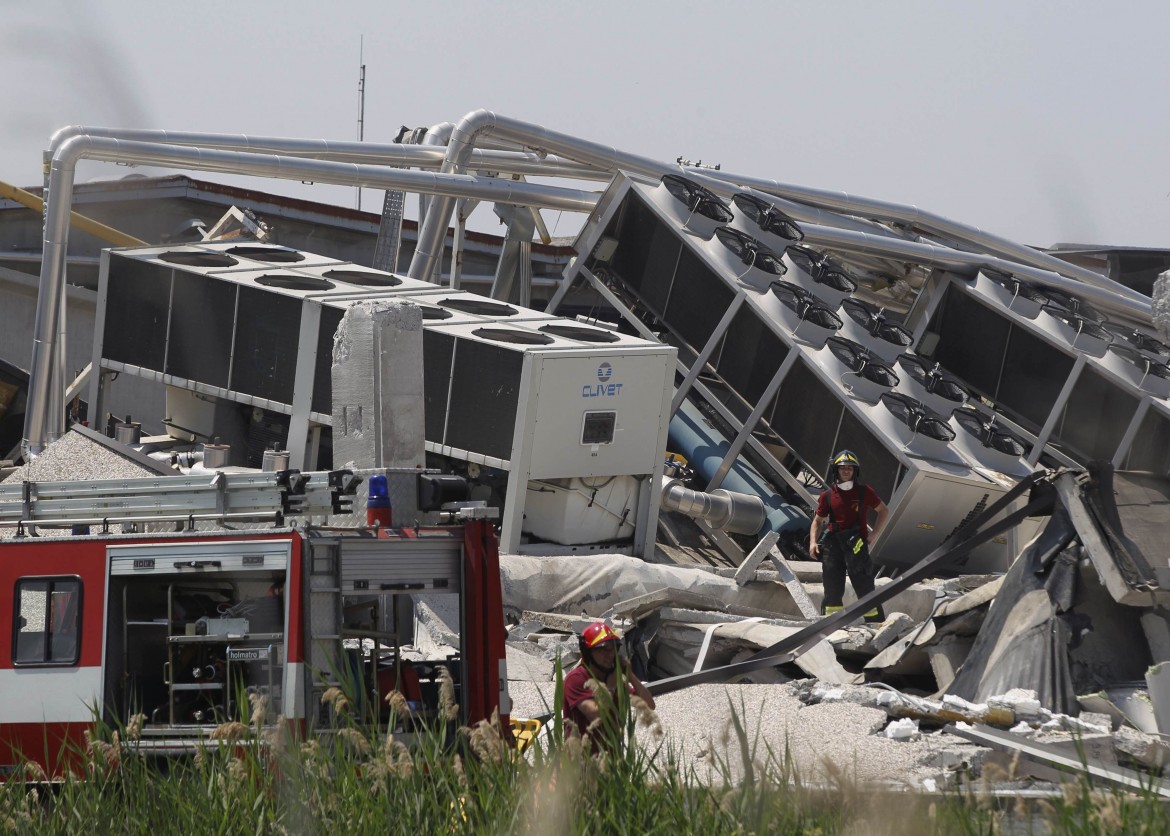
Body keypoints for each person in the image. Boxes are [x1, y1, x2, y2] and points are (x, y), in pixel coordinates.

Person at [808, 449, 890, 621]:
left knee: (865, 587)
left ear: (855, 471)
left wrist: (874, 534)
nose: (846, 471)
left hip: (856, 545)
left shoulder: (864, 492)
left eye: (850, 468)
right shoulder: (828, 495)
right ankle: (830, 626)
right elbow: (817, 521)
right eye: (842, 468)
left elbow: (883, 511)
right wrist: (813, 542)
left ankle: (876, 626)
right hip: (832, 546)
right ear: (836, 470)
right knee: (832, 588)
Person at [562, 621, 655, 751]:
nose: (611, 655)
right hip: (582, 762)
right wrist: (611, 686)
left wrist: (631, 676)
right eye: (604, 649)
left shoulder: (614, 678)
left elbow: (650, 705)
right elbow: (596, 715)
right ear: (588, 652)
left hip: (611, 762)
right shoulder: (576, 679)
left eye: (614, 649)